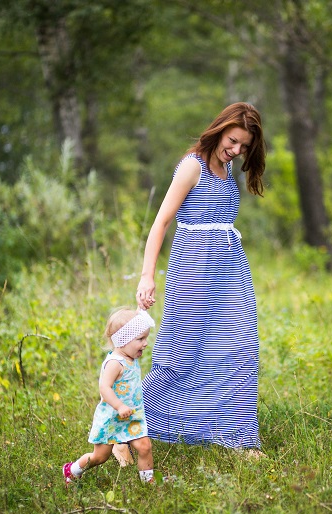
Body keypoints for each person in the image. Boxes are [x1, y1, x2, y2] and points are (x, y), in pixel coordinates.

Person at [134, 101, 267, 454]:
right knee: (181, 354)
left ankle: (238, 437)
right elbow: (161, 222)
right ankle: (128, 423)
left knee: (240, 349)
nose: (236, 150)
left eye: (244, 146)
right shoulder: (192, 166)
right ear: (220, 130)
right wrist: (147, 276)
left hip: (230, 273)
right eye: (233, 141)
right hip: (194, 270)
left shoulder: (227, 168)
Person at [62, 307, 157, 485]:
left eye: (145, 338)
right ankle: (72, 470)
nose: (145, 343)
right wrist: (119, 406)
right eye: (140, 339)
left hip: (131, 415)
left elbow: (132, 322)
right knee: (100, 457)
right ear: (123, 340)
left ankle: (148, 481)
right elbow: (104, 387)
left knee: (145, 446)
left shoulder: (130, 357)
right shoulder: (115, 363)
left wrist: (141, 309)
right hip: (112, 418)